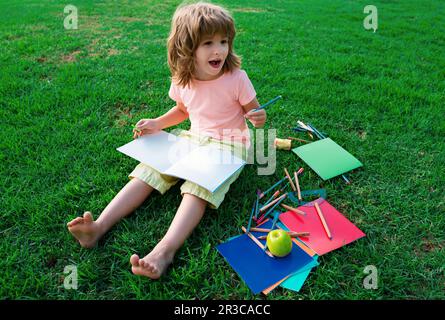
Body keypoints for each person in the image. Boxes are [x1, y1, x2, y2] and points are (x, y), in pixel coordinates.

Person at [67, 1, 266, 279]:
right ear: (186, 47)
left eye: (224, 41)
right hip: (193, 138)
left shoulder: (236, 78)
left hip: (229, 144)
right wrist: (157, 123)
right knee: (149, 169)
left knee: (198, 184)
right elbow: (183, 111)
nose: (219, 50)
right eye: (208, 43)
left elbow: (254, 111)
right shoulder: (183, 79)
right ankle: (98, 227)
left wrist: (258, 117)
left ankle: (164, 251)